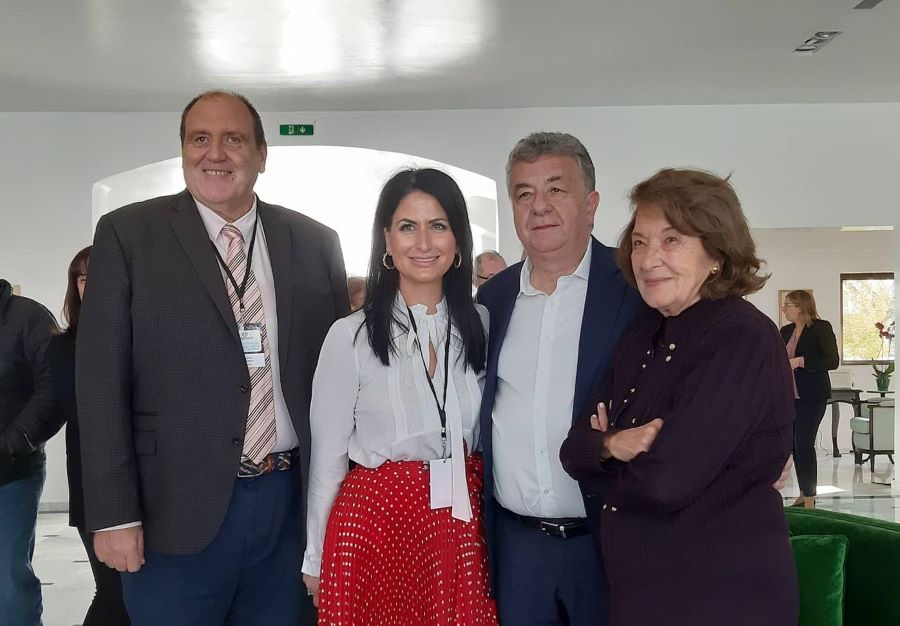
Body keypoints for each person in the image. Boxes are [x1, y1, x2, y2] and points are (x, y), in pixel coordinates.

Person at [76, 90, 349, 626]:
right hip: (171, 511)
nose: (215, 153)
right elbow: (100, 381)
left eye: (233, 139)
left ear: (262, 154)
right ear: (183, 150)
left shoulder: (315, 242)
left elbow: (340, 381)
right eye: (200, 138)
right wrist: (113, 514)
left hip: (287, 508)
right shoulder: (128, 235)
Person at [560, 168, 799, 626]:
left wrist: (599, 462)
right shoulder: (641, 335)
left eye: (671, 240)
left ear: (716, 253)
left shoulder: (740, 336)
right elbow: (572, 449)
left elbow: (664, 482)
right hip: (641, 597)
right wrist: (612, 444)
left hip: (722, 599)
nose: (648, 259)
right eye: (640, 242)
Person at [302, 168, 497, 625]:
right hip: (375, 528)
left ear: (458, 240)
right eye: (408, 226)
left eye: (438, 225)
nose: (423, 242)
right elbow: (327, 459)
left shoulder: (483, 325)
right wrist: (316, 557)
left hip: (462, 527)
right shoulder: (350, 336)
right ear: (387, 241)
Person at [477, 132, 645, 625]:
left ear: (590, 205)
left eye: (556, 189)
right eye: (524, 193)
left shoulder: (634, 288)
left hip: (608, 542)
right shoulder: (492, 300)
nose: (539, 206)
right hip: (517, 549)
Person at [49, 246, 131, 625]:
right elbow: (78, 409)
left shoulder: (143, 334)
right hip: (93, 481)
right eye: (83, 278)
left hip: (151, 483)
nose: (91, 285)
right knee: (112, 592)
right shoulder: (64, 346)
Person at [0, 278, 61, 626]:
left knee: (8, 583)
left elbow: (53, 388)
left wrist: (11, 443)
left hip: (10, 472)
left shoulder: (29, 318)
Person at [780, 289, 839, 508]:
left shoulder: (821, 328)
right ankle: (804, 494)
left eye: (788, 305)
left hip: (812, 396)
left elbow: (832, 361)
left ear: (801, 307)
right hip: (789, 397)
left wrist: (800, 361)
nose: (784, 309)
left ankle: (810, 499)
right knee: (795, 446)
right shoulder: (785, 331)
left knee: (804, 443)